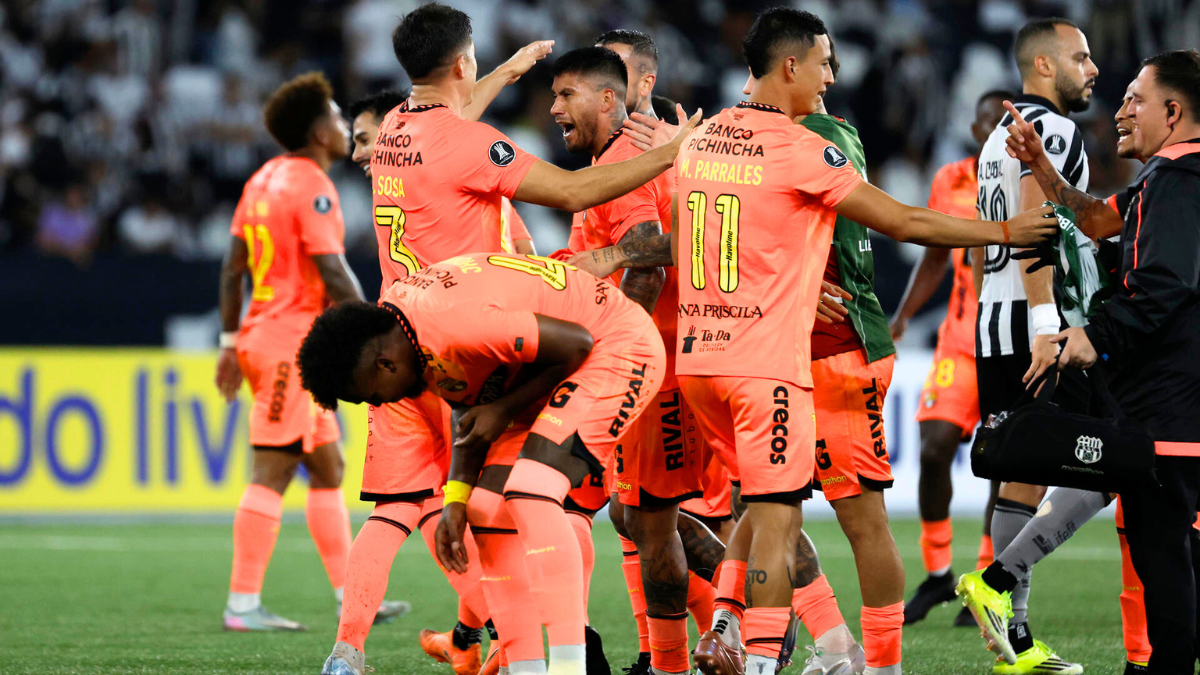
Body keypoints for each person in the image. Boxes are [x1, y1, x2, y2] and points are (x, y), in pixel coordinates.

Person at [573, 9, 1055, 675]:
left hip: (700, 364)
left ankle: (726, 626)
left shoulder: (701, 135)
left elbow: (689, 239)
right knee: (784, 521)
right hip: (767, 366)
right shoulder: (804, 146)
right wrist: (1005, 233)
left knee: (743, 510)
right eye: (824, 63)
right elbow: (903, 220)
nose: (832, 76)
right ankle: (788, 657)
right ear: (790, 66)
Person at [321, 4, 703, 674]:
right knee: (548, 502)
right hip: (481, 334)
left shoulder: (393, 136)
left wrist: (500, 70)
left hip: (408, 331)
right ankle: (562, 646)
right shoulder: (467, 142)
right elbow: (573, 187)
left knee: (457, 507)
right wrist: (674, 151)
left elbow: (449, 118)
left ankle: (436, 648)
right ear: (462, 64)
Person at [298, 252, 668, 675]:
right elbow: (469, 408)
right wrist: (455, 500)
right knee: (485, 511)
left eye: (369, 393)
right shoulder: (409, 334)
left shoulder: (451, 322)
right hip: (557, 366)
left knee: (531, 488)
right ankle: (526, 669)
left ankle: (570, 667)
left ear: (384, 364)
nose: (378, 403)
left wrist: (505, 408)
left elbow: (577, 343)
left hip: (616, 346)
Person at [993, 50, 1200, 674]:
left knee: (1168, 568)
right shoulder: (1164, 180)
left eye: (1136, 99)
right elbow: (1094, 218)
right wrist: (1041, 168)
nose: (1122, 110)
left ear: (1173, 110)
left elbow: (1164, 284)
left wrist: (1095, 336)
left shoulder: (1178, 184)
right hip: (1178, 409)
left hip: (1169, 412)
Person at [213, 72, 408, 632]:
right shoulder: (312, 185)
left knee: (328, 467)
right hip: (288, 347)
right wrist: (382, 325)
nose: (345, 125)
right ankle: (242, 605)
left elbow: (232, 270)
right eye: (336, 115)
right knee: (272, 469)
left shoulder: (261, 180)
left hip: (263, 336)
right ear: (316, 130)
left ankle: (354, 595)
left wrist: (228, 343)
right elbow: (332, 268)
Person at [955, 17, 1098, 673]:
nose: (1092, 69)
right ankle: (1000, 587)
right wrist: (1046, 321)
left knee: (1025, 473)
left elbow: (995, 233)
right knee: (1110, 457)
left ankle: (1015, 635)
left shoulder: (990, 143)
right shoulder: (1054, 130)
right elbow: (1037, 223)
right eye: (1081, 58)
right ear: (1044, 65)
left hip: (995, 318)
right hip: (1037, 323)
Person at [890, 89, 1012, 628]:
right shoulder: (952, 180)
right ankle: (939, 573)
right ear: (974, 129)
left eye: (1002, 125)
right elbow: (936, 257)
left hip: (1010, 348)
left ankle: (986, 580)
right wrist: (903, 315)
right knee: (936, 445)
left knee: (1002, 465)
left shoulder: (1032, 180)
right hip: (960, 342)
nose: (993, 134)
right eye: (985, 124)